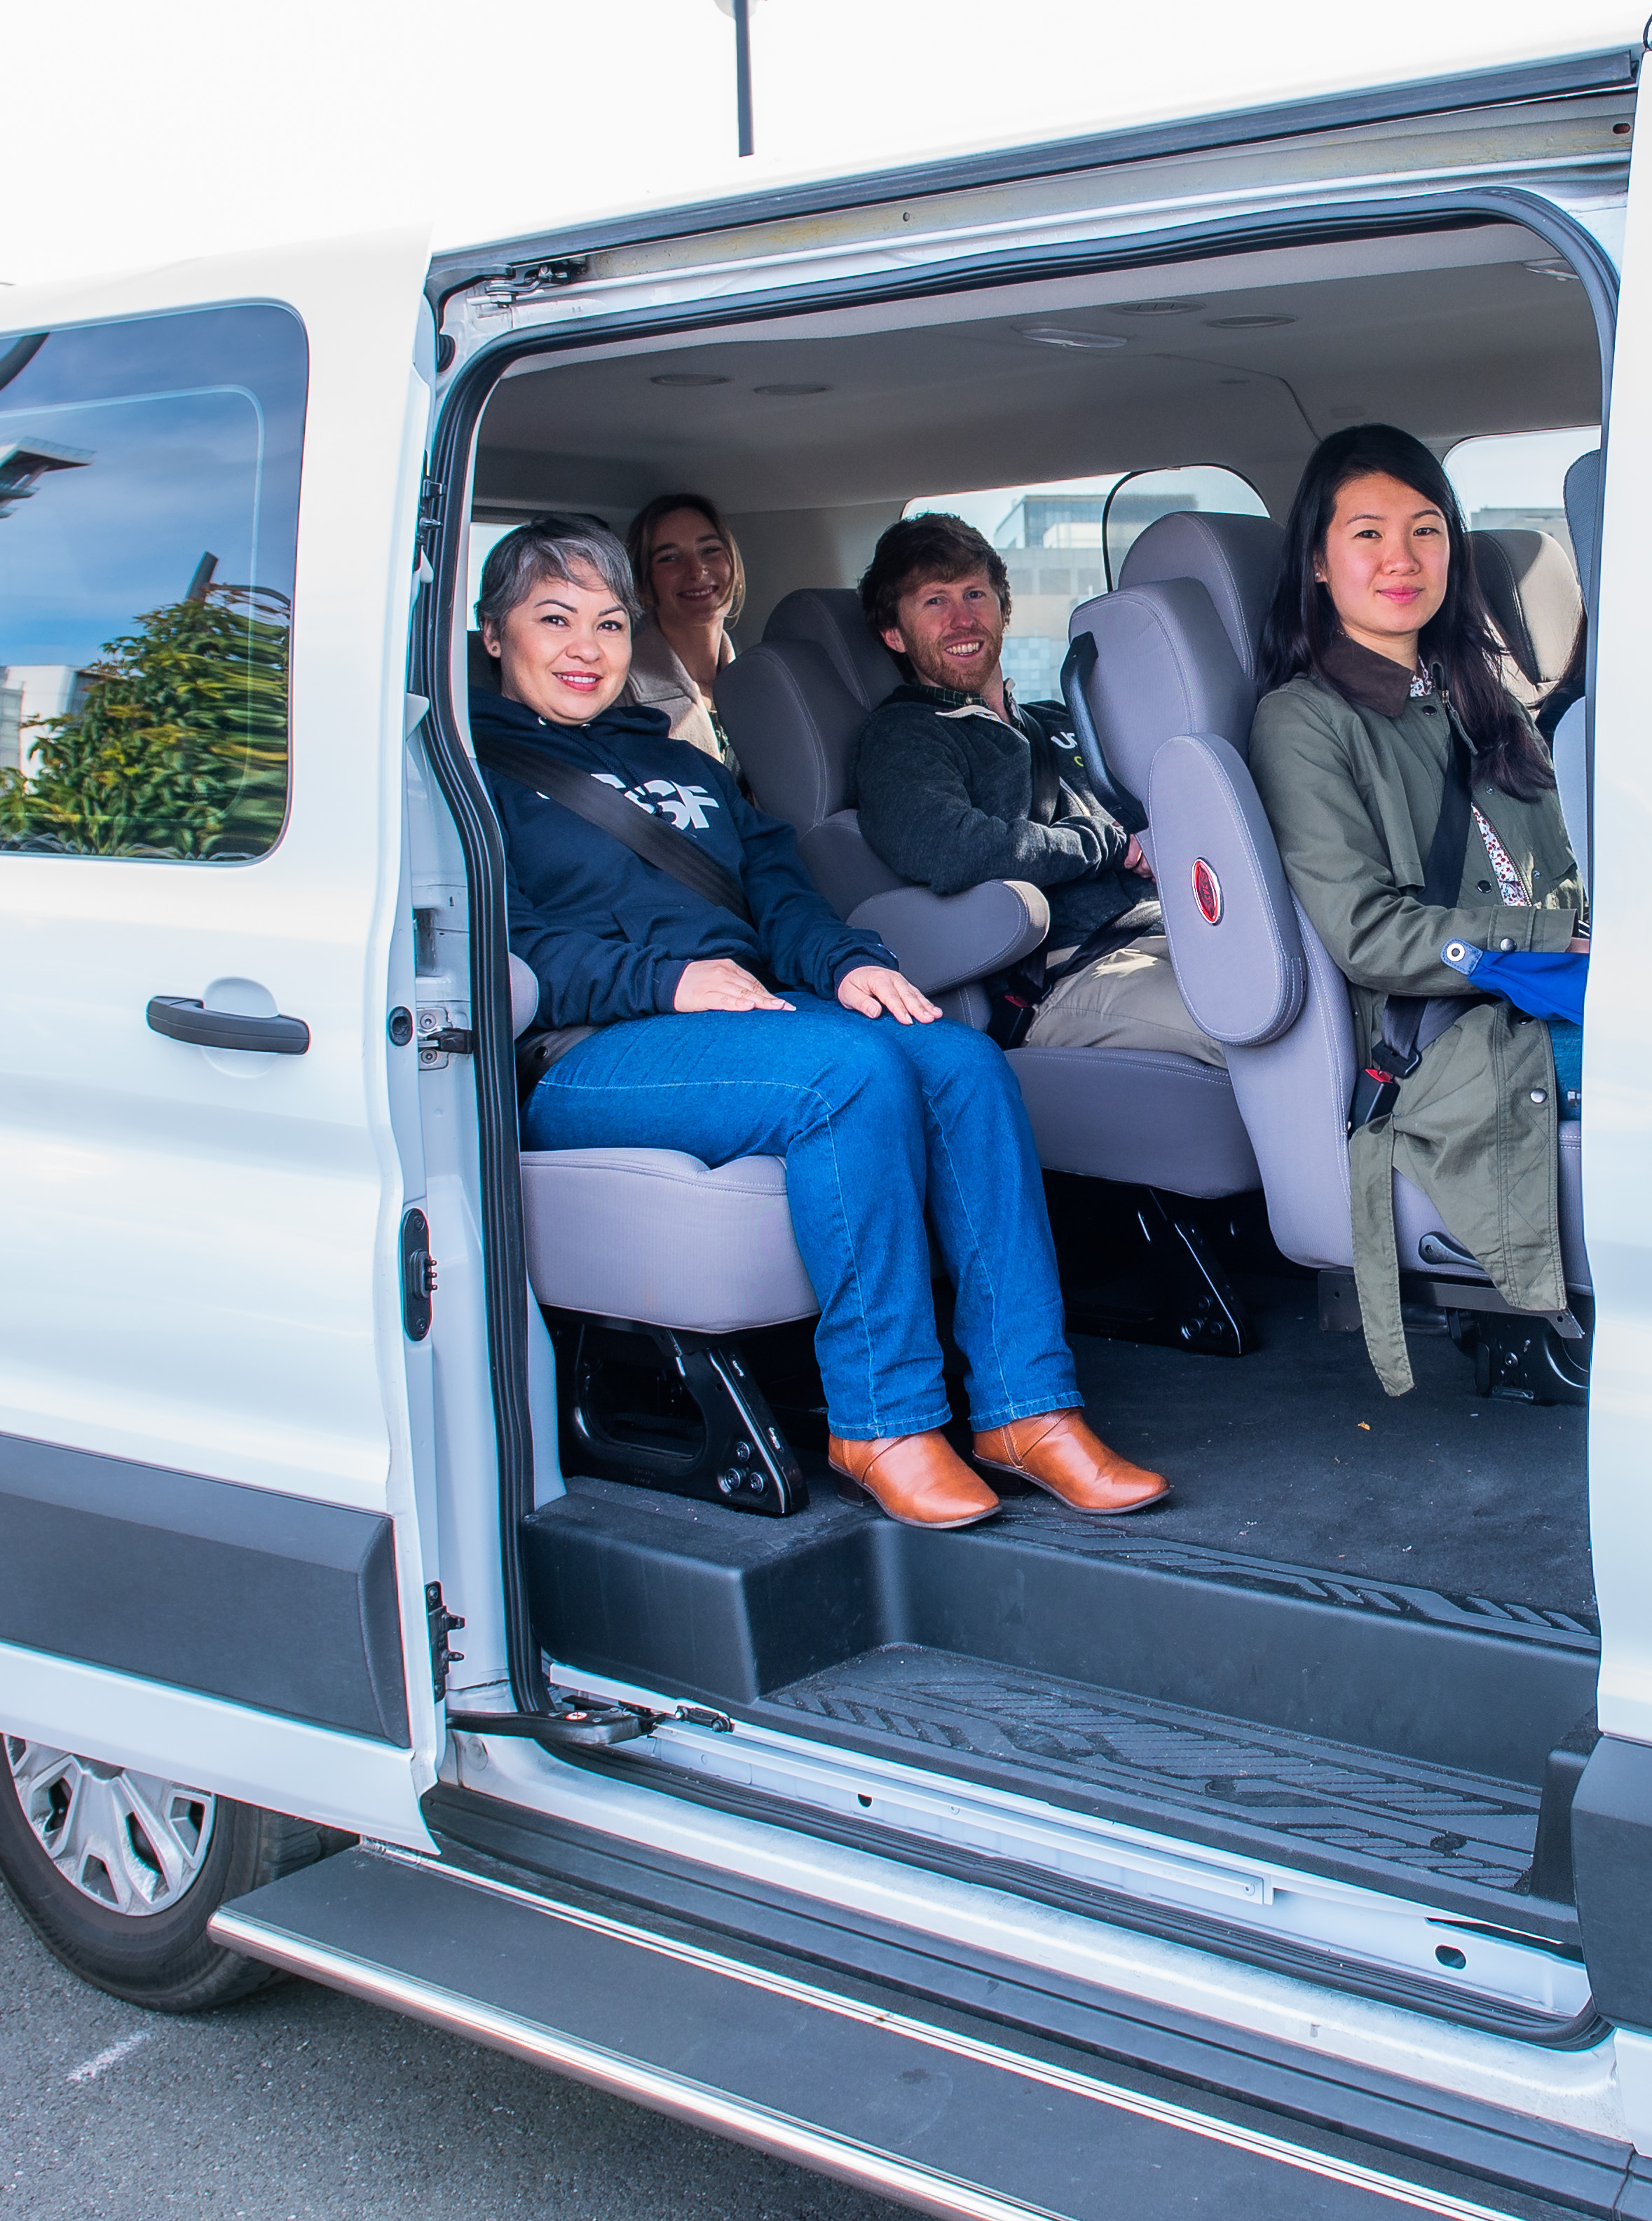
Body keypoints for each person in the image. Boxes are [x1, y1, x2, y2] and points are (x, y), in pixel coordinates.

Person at [470, 514, 1165, 1529]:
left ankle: (1026, 1408)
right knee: (845, 1074)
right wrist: (665, 980)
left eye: (611, 625)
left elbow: (780, 896)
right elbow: (502, 945)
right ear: (496, 637)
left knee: (961, 1061)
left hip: (739, 1020)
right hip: (583, 1052)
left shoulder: (692, 769)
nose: (586, 650)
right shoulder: (468, 771)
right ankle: (882, 1419)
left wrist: (845, 964)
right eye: (554, 620)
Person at [1247, 426, 1585, 1393]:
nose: (1401, 558)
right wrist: (1555, 939)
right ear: (1317, 561)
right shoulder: (1301, 720)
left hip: (1537, 992)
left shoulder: (1484, 696)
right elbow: (1368, 935)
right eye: (1366, 533)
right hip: (1439, 1038)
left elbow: (1558, 874)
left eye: (1425, 530)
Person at [844, 513, 1222, 1067]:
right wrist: (1108, 845)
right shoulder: (904, 736)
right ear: (893, 633)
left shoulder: (1058, 717)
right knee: (1255, 1026)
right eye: (935, 602)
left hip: (1174, 931)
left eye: (975, 594)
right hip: (1070, 973)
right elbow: (949, 848)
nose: (962, 619)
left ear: (1003, 608)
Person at [619, 491, 742, 756]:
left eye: (710, 550)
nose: (697, 570)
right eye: (669, 558)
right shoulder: (620, 693)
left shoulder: (764, 683)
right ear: (643, 586)